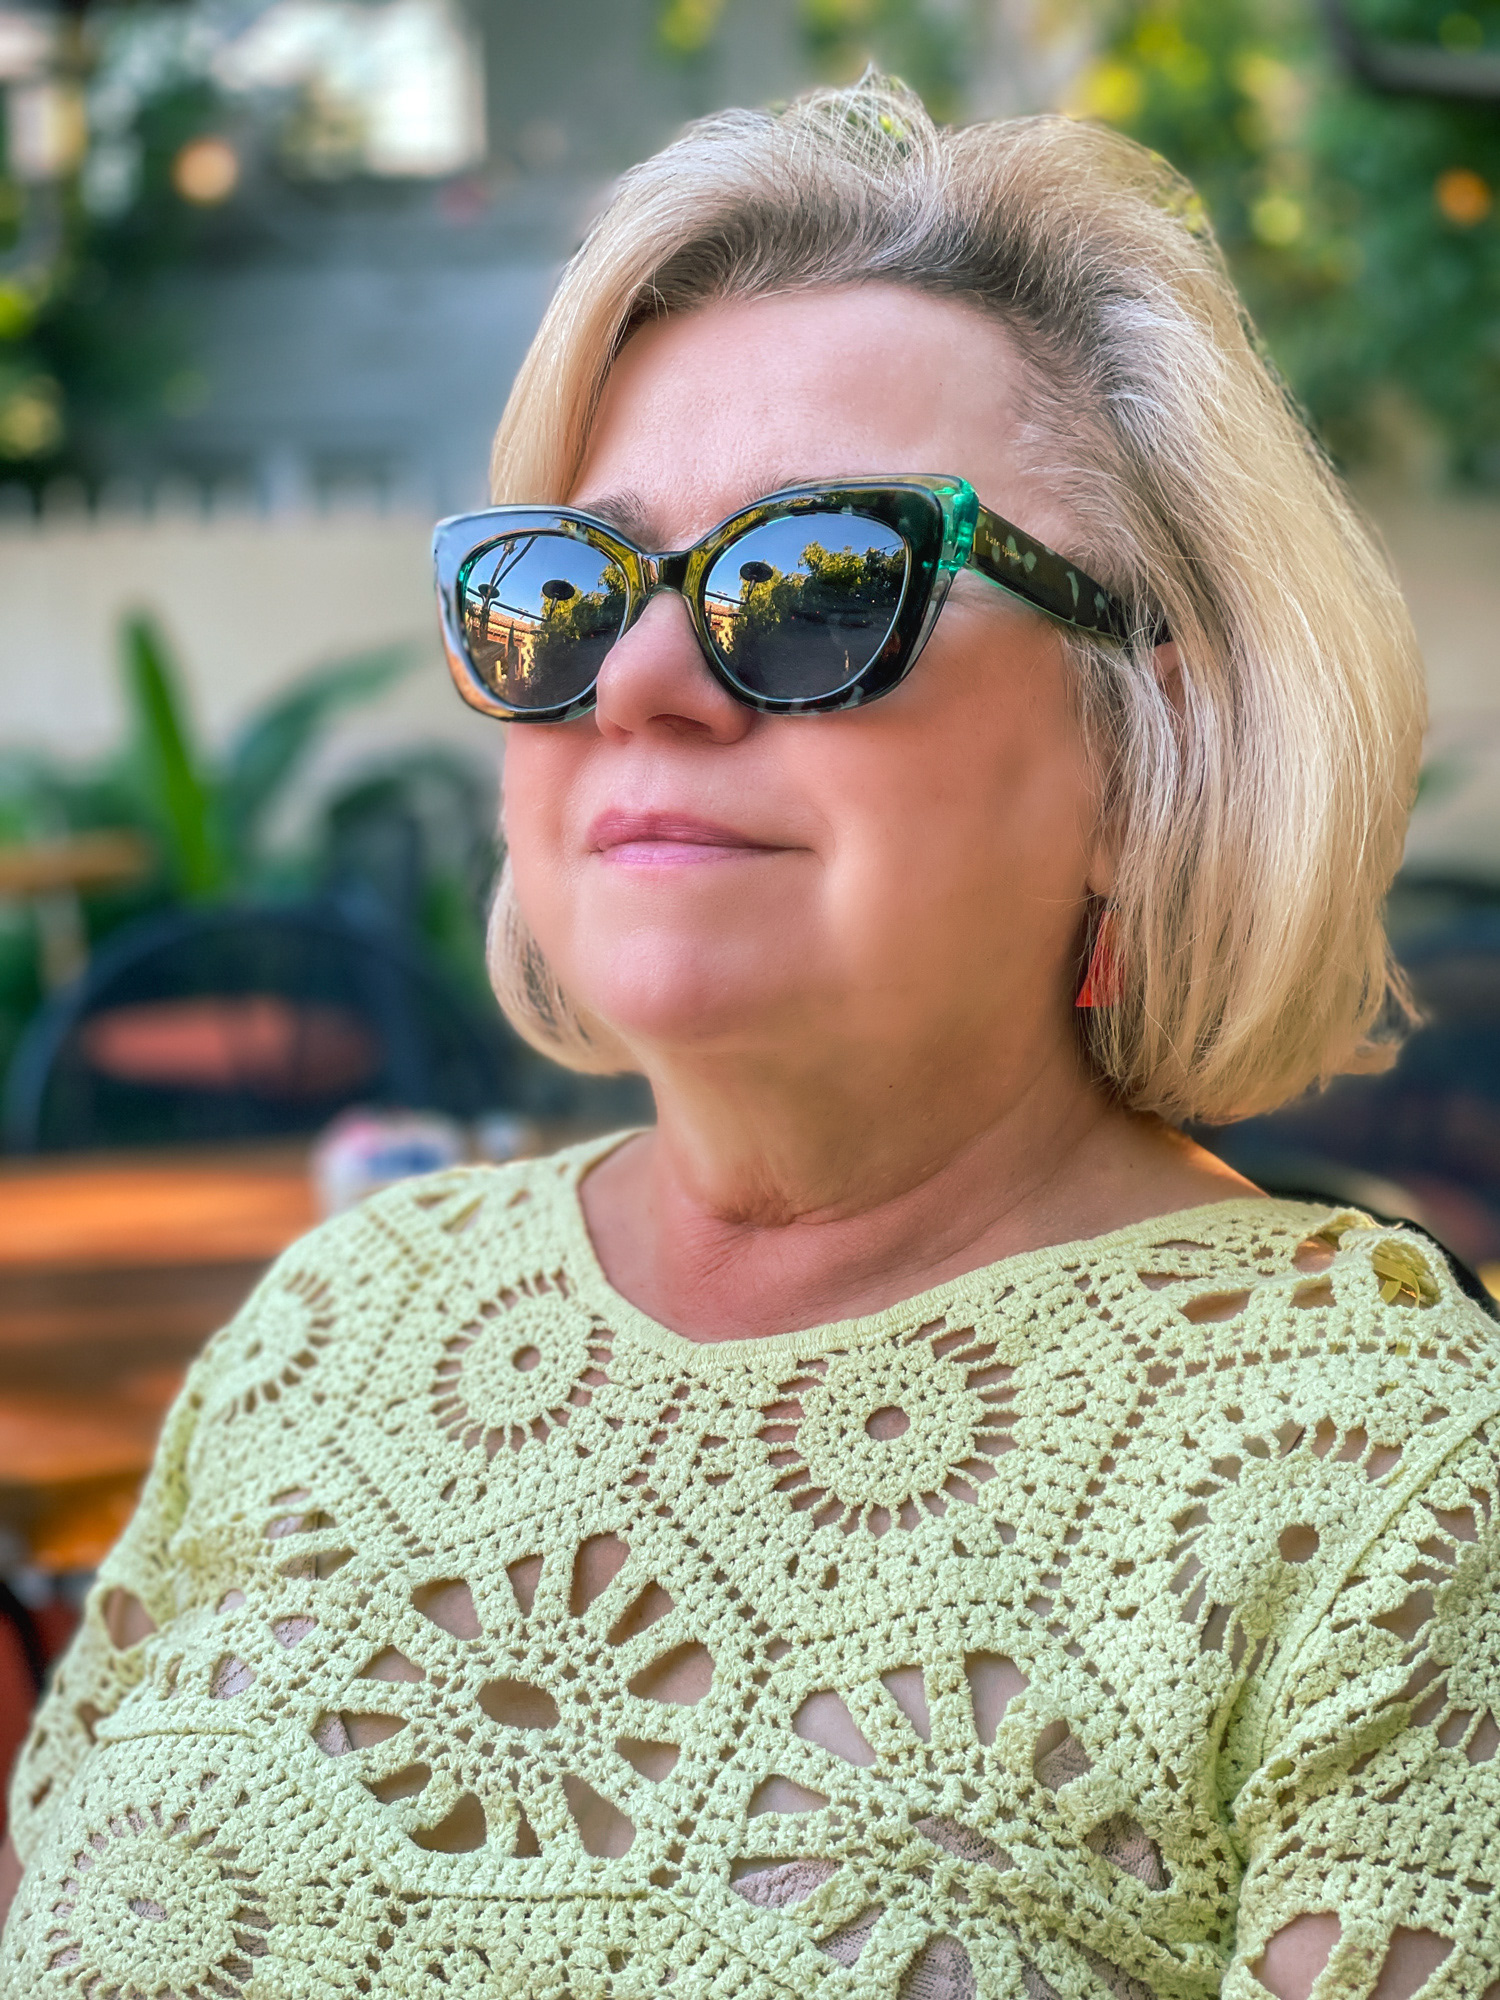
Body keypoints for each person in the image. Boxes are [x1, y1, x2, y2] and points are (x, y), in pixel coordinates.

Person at [4, 76, 1497, 2000]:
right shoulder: (339, 1320)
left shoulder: (1394, 1478)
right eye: (563, 594)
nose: (637, 681)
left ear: (1155, 747)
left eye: (819, 586)